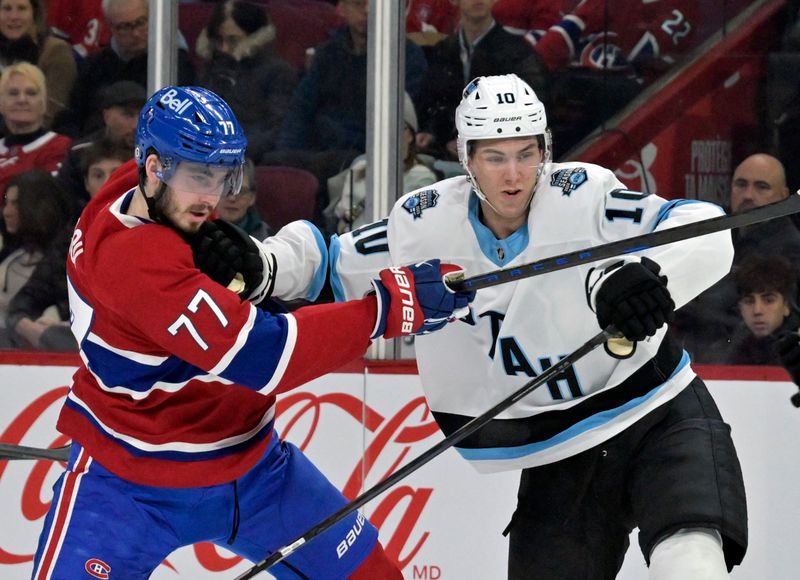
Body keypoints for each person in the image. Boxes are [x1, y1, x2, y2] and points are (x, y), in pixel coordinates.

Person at [224, 74, 747, 577]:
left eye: (526, 154)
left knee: (692, 561)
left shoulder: (584, 195)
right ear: (465, 157)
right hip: (558, 447)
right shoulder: (425, 222)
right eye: (495, 158)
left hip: (659, 411)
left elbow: (704, 228)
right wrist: (259, 263)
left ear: (545, 150)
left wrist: (649, 279)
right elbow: (331, 263)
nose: (514, 175)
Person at [31, 85, 474, 579]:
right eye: (200, 176)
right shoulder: (134, 261)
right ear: (154, 167)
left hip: (256, 466)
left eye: (224, 177)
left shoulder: (133, 187)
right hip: (130, 483)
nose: (213, 197)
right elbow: (265, 355)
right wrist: (389, 308)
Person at [269, 0, 428, 211]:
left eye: (374, 4)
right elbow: (301, 108)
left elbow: (400, 120)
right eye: (358, 4)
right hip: (319, 148)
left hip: (366, 152)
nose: (368, 11)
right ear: (341, 8)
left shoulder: (403, 55)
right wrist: (286, 150)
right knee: (274, 161)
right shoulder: (327, 53)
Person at [675, 153, 800, 361]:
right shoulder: (720, 238)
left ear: (783, 196)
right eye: (741, 185)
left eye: (762, 187)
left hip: (751, 369)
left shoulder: (790, 250)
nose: (748, 195)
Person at [415, 0, 539, 160]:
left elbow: (531, 112)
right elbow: (428, 101)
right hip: (443, 151)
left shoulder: (517, 53)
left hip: (499, 155)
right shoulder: (443, 50)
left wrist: (476, 142)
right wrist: (429, 132)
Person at [65, 0, 195, 137]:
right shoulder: (95, 67)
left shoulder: (174, 64)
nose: (136, 34)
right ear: (111, 28)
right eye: (125, 27)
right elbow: (73, 117)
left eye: (141, 22)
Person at [195, 0, 298, 162]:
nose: (224, 48)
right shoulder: (212, 68)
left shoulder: (278, 73)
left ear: (256, 36)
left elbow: (278, 130)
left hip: (250, 157)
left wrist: (231, 149)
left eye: (233, 40)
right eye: (218, 40)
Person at [326, 92, 438, 233]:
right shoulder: (358, 169)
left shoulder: (422, 177)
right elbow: (343, 219)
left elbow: (418, 227)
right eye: (382, 127)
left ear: (410, 135)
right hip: (355, 247)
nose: (388, 134)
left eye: (396, 128)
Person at [0, 169, 72, 339]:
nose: (6, 212)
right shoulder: (11, 251)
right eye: (6, 203)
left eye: (16, 204)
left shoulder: (60, 260)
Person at [57, 80, 144, 212]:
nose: (136, 125)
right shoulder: (80, 152)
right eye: (128, 115)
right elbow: (65, 200)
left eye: (142, 115)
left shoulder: (155, 153)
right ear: (107, 116)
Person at [704, 255, 800, 365]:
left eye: (769, 300)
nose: (757, 310)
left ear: (786, 305)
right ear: (740, 307)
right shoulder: (720, 354)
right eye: (749, 301)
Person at [0, 0, 77, 127]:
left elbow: (51, 112)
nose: (13, 17)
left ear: (34, 14)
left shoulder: (55, 51)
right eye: (7, 9)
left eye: (22, 9)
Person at [0, 62, 72, 194]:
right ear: (1, 103)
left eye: (31, 93)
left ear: (43, 103)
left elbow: (42, 201)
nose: (22, 99)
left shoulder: (60, 147)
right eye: (13, 93)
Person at [215, 158, 273, 241]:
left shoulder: (266, 239)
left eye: (241, 191)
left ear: (252, 197)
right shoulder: (194, 229)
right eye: (226, 189)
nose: (232, 198)